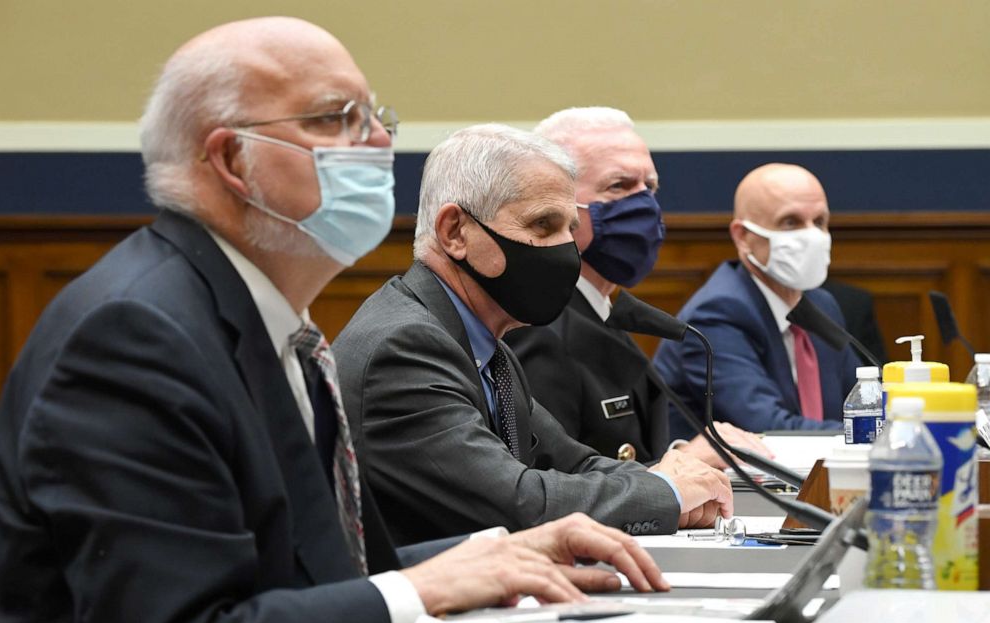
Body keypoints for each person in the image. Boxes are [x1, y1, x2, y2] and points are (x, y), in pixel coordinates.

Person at [0, 17, 669, 623]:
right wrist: (419, 585)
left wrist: (489, 557)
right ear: (233, 158)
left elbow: (312, 580)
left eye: (377, 116)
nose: (379, 140)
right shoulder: (135, 334)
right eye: (336, 118)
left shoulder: (264, 319)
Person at [334, 124, 733, 547]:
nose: (566, 248)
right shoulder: (406, 347)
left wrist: (675, 480)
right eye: (543, 225)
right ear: (454, 232)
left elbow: (576, 465)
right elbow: (517, 503)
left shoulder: (486, 345)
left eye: (569, 227)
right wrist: (666, 492)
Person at [504, 107, 771, 467]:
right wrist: (680, 466)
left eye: (650, 186)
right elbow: (553, 483)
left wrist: (681, 457)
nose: (644, 203)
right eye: (619, 186)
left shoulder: (598, 311)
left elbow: (632, 451)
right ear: (555, 204)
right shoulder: (537, 325)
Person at [655, 163, 859, 434]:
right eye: (791, 222)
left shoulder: (821, 305)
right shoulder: (716, 313)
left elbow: (862, 400)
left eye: (819, 222)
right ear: (743, 237)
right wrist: (870, 434)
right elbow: (769, 430)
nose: (811, 236)